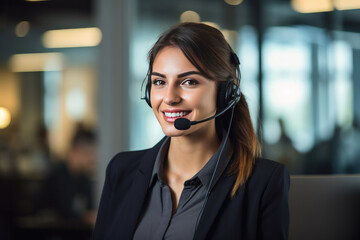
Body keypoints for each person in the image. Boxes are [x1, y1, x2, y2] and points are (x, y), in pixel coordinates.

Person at [93, 22, 290, 240]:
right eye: (159, 81)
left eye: (188, 82)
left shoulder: (263, 182)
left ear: (226, 93)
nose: (169, 97)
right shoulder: (121, 171)